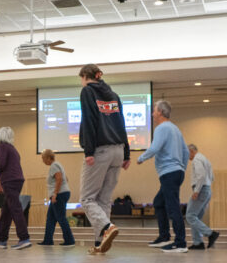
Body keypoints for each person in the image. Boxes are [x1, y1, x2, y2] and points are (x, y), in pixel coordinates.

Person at [77, 64, 131, 255]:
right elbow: (121, 122)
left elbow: (90, 120)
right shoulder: (114, 95)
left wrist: (88, 151)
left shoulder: (87, 92)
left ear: (85, 77)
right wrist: (127, 153)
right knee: (104, 199)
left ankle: (107, 227)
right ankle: (100, 242)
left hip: (100, 150)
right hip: (118, 150)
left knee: (87, 198)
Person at [137, 100, 190, 253]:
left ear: (160, 112)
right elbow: (186, 152)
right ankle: (164, 237)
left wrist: (141, 158)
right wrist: (181, 168)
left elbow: (154, 147)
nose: (152, 113)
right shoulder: (175, 128)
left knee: (173, 208)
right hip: (176, 172)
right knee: (159, 203)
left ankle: (180, 243)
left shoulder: (162, 128)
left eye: (154, 110)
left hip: (169, 173)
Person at [0, 127, 31, 250]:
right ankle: (2, 240)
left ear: (0, 136)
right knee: (6, 211)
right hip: (16, 180)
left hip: (10, 181)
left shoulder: (2, 147)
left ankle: (24, 238)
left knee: (15, 209)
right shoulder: (12, 149)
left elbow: (0, 164)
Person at [37, 149, 75, 247]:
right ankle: (48, 240)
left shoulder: (54, 165)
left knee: (61, 218)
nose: (43, 161)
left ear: (49, 157)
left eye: (43, 158)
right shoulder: (58, 165)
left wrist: (55, 194)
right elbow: (66, 178)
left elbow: (59, 179)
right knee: (51, 218)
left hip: (59, 195)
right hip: (62, 193)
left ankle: (69, 240)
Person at [185, 144, 219, 250]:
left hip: (201, 190)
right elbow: (211, 177)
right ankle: (198, 243)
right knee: (196, 217)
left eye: (186, 154)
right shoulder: (205, 159)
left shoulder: (197, 159)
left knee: (190, 216)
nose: (187, 157)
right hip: (207, 189)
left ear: (191, 151)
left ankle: (210, 233)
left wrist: (196, 190)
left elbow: (201, 175)